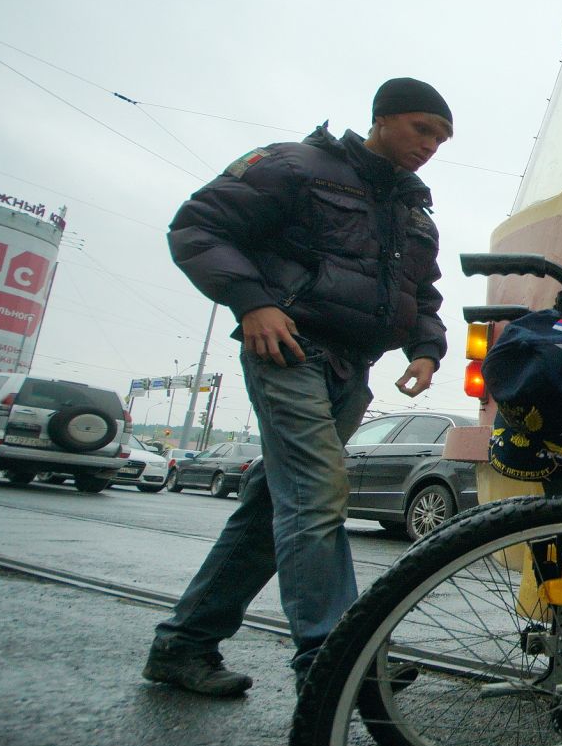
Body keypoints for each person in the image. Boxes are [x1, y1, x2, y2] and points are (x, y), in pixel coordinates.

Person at [141, 79, 453, 696]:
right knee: (316, 492)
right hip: (288, 349)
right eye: (422, 129)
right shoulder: (295, 166)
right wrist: (252, 303)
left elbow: (424, 293)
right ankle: (336, 655)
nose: (431, 147)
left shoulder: (414, 212)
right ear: (381, 118)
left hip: (352, 368)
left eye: (441, 139)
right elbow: (197, 228)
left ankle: (184, 644)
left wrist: (426, 349)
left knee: (271, 510)